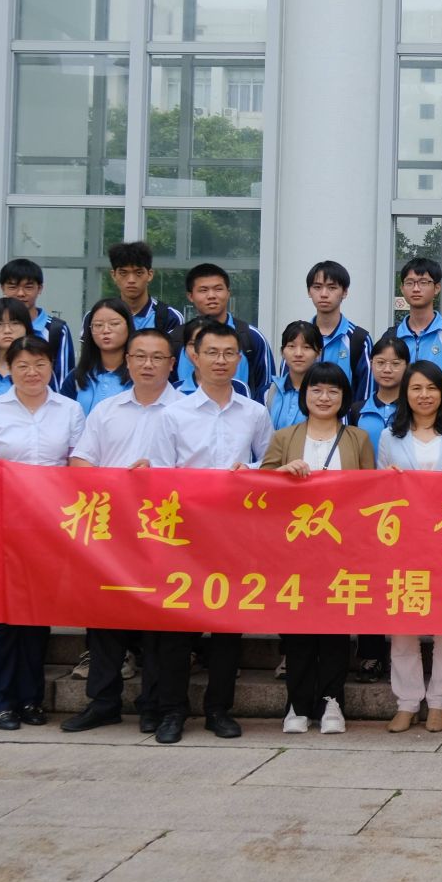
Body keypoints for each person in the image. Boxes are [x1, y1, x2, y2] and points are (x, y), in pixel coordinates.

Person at [146, 319, 273, 745]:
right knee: (176, 627)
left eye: (229, 353)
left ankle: (219, 709)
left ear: (239, 359)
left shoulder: (254, 412)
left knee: (226, 626)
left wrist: (249, 469)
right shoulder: (173, 414)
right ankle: (171, 711)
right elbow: (160, 474)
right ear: (193, 358)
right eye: (212, 353)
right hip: (184, 535)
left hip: (234, 534)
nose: (221, 361)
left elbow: (269, 463)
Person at [60, 326, 188, 736]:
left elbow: (197, 473)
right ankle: (103, 702)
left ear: (172, 364)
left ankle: (155, 705)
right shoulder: (106, 410)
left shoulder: (186, 411)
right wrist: (116, 483)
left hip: (166, 532)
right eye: (140, 356)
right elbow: (80, 462)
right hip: (112, 532)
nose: (148, 364)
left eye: (157, 357)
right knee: (104, 618)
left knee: (161, 624)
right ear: (127, 362)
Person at [0, 335, 85, 731]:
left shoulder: (69, 410)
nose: (32, 372)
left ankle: (30, 699)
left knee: (35, 612)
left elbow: (79, 466)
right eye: (23, 365)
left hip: (47, 526)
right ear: (9, 368)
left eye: (40, 364)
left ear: (52, 367)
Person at [260, 361, 374, 734]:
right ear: (304, 394)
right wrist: (282, 473)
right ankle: (297, 703)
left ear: (344, 397)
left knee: (336, 628)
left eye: (333, 391)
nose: (324, 397)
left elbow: (371, 491)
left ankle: (332, 701)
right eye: (316, 390)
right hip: (294, 550)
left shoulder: (358, 438)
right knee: (297, 627)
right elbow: (261, 486)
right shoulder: (284, 437)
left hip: (342, 549)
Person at [380, 361, 442, 733]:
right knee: (403, 621)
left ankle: (439, 701)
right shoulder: (390, 436)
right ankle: (406, 701)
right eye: (416, 388)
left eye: (432, 388)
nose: (424, 395)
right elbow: (380, 491)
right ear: (406, 393)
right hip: (404, 541)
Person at [172, 263, 274, 398]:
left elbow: (266, 390)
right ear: (190, 296)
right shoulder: (175, 338)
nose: (211, 295)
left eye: (218, 289)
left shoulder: (251, 337)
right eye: (203, 290)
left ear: (228, 292)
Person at [0, 257, 75, 383]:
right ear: (2, 288)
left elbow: (64, 381)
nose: (20, 293)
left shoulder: (56, 330)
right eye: (12, 287)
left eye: (28, 287)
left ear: (39, 288)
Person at [306, 260, 373, 414]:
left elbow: (365, 395)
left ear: (344, 292)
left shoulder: (359, 340)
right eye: (317, 287)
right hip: (304, 424)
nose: (324, 294)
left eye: (332, 287)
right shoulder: (298, 339)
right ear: (309, 291)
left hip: (344, 425)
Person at [392, 256, 442, 378]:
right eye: (409, 283)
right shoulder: (392, 336)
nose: (416, 289)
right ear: (402, 289)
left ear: (437, 288)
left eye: (423, 282)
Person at [62, 298, 132, 416]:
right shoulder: (76, 377)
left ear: (128, 326)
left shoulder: (138, 375)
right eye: (98, 325)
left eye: (114, 324)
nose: (106, 330)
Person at [108, 241, 185, 334]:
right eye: (123, 273)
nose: (131, 280)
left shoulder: (170, 317)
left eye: (139, 273)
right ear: (113, 275)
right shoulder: (100, 316)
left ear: (150, 275)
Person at [268, 321, 322, 430]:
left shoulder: (325, 394)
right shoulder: (268, 392)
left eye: (306, 347)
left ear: (318, 353)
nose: (298, 354)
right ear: (282, 352)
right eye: (291, 346)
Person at [357, 333, 408, 437]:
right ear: (371, 364)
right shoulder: (357, 410)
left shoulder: (413, 408)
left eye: (395, 363)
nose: (387, 370)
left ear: (407, 366)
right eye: (381, 363)